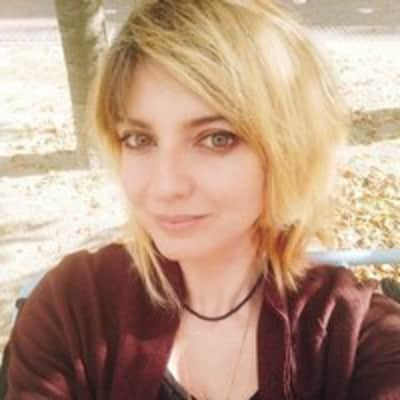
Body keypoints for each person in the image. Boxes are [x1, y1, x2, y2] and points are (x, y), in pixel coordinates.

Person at [5, 1, 400, 399]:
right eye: (139, 139)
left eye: (217, 139)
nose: (166, 186)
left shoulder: (357, 340)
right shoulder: (73, 311)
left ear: (289, 149)